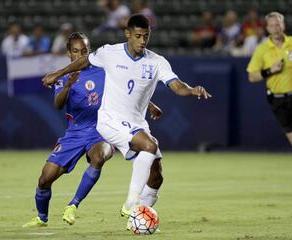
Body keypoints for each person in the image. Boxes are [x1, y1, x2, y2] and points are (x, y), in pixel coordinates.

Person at [42, 14, 211, 221]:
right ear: (128, 34)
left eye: (146, 36)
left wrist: (191, 90)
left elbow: (176, 85)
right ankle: (131, 204)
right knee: (149, 147)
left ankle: (139, 217)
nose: (142, 41)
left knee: (156, 175)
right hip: (110, 120)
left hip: (136, 123)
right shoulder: (110, 53)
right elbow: (84, 60)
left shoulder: (157, 62)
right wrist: (57, 74)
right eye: (138, 36)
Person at [22, 32, 164, 228]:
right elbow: (57, 104)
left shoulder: (104, 69)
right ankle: (41, 218)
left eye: (84, 51)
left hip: (102, 129)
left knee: (99, 157)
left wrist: (150, 105)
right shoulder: (65, 75)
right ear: (68, 53)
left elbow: (129, 92)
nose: (80, 55)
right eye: (75, 51)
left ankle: (73, 205)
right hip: (75, 133)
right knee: (45, 179)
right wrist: (67, 87)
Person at [247, 12, 292, 146]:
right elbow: (252, 76)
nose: (275, 28)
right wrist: (269, 71)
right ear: (267, 29)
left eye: (278, 24)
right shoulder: (262, 49)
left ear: (283, 25)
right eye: (272, 26)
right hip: (278, 100)